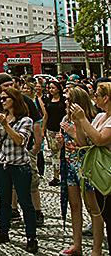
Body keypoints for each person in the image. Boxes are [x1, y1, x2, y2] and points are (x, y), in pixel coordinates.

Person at [0, 87, 38, 254]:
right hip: (1, 164)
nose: (2, 102)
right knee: (4, 201)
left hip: (19, 165)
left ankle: (31, 237)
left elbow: (20, 141)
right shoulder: (2, 117)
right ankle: (3, 231)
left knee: (25, 202)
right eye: (1, 99)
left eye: (5, 99)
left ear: (14, 100)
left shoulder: (26, 120)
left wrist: (5, 125)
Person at [59, 85, 103, 256]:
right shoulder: (66, 117)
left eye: (68, 100)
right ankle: (76, 243)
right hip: (70, 165)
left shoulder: (89, 118)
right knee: (74, 205)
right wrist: (60, 141)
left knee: (93, 207)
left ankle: (96, 249)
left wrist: (74, 128)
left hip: (86, 166)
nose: (66, 103)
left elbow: (85, 144)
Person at [72, 81, 111, 253]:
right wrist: (79, 125)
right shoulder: (99, 117)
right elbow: (83, 142)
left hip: (108, 171)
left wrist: (82, 119)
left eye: (96, 94)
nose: (94, 97)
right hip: (98, 173)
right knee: (106, 214)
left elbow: (100, 139)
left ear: (106, 98)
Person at [39, 80, 66, 187]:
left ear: (58, 89)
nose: (51, 90)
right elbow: (46, 115)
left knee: (61, 153)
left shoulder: (63, 100)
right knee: (54, 153)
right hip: (50, 129)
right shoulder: (48, 100)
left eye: (53, 88)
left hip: (61, 129)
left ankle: (62, 173)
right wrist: (43, 129)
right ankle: (56, 176)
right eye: (49, 88)